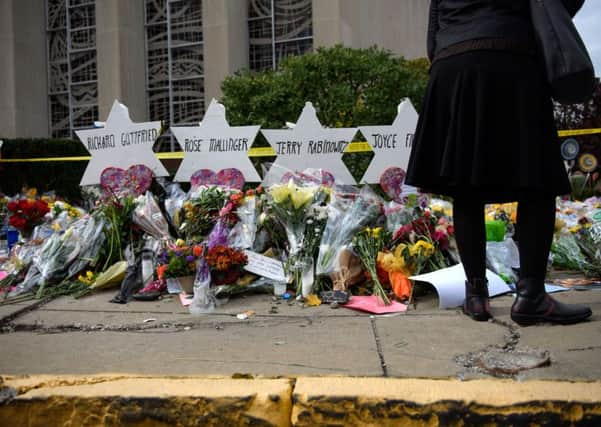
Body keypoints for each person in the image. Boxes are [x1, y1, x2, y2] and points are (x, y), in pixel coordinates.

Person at [406, 0, 592, 325]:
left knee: (466, 186)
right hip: (511, 56)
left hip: (452, 63)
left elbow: (433, 28)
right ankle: (532, 295)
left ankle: (476, 296)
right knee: (536, 181)